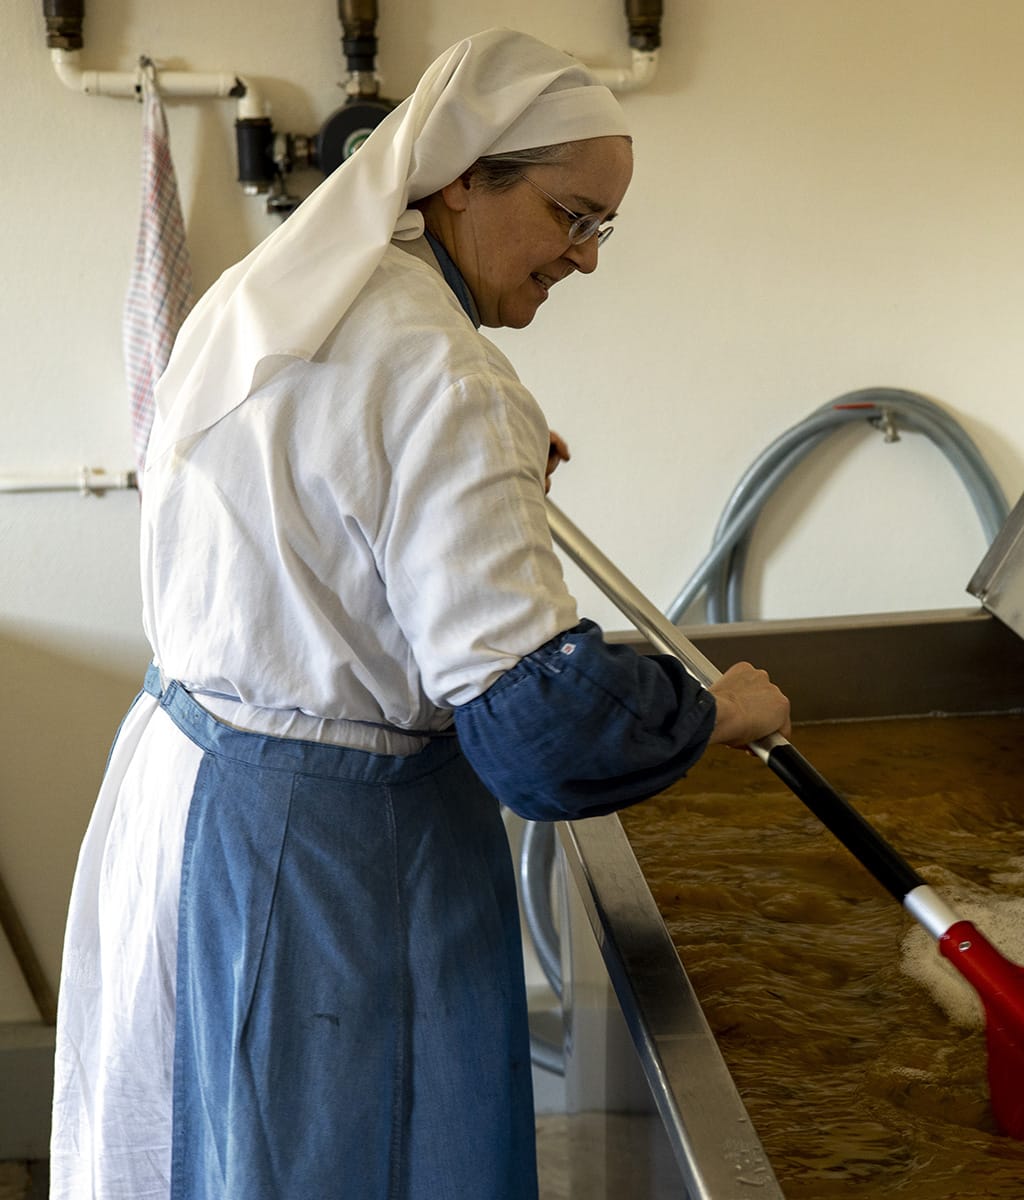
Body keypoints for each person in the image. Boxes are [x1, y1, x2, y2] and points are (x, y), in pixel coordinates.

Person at [50, 29, 791, 1200]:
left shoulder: (275, 293)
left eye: (603, 228)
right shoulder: (452, 377)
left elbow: (309, 507)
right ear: (463, 178)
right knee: (350, 1157)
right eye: (571, 217)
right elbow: (538, 732)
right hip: (328, 854)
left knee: (212, 1144)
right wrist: (709, 713)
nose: (587, 258)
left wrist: (480, 486)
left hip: (193, 789)